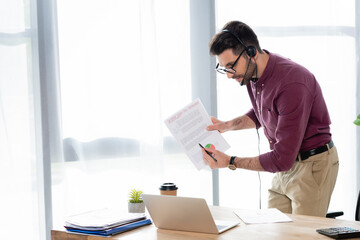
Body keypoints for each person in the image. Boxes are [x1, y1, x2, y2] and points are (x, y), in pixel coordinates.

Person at [201, 20, 339, 217]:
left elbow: (281, 159)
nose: (229, 76)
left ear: (251, 53)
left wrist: (230, 161)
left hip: (312, 165)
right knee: (273, 230)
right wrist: (228, 125)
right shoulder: (252, 74)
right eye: (224, 68)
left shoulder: (292, 83)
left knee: (302, 235)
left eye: (231, 66)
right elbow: (262, 111)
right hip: (284, 165)